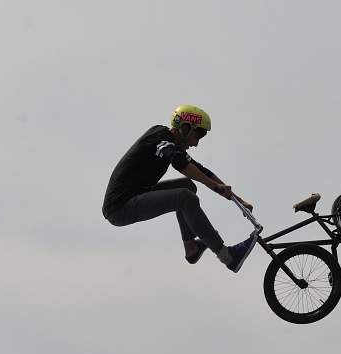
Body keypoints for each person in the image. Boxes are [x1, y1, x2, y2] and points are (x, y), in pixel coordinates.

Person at [103, 105, 257, 272]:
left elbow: (201, 169)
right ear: (184, 129)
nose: (196, 144)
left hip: (137, 194)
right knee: (184, 197)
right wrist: (214, 187)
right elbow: (180, 164)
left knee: (187, 186)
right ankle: (228, 256)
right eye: (197, 137)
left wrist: (238, 199)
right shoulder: (160, 137)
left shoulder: (172, 145)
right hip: (120, 207)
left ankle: (191, 248)